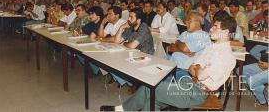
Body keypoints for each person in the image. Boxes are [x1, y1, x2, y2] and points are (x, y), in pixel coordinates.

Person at [100, 15, 237, 111]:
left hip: (197, 93)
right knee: (151, 100)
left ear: (225, 32)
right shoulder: (211, 47)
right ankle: (122, 109)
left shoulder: (226, 55)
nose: (211, 29)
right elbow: (191, 67)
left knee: (151, 88)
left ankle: (121, 110)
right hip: (188, 82)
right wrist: (198, 68)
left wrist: (198, 69)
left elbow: (200, 75)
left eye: (215, 27)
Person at [111, 8, 155, 86]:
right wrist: (121, 28)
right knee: (112, 62)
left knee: (118, 64)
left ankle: (135, 84)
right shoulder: (131, 26)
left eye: (131, 17)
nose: (128, 19)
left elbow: (132, 45)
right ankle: (132, 83)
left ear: (138, 20)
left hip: (145, 57)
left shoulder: (144, 28)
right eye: (128, 16)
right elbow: (117, 41)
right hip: (132, 54)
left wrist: (124, 43)